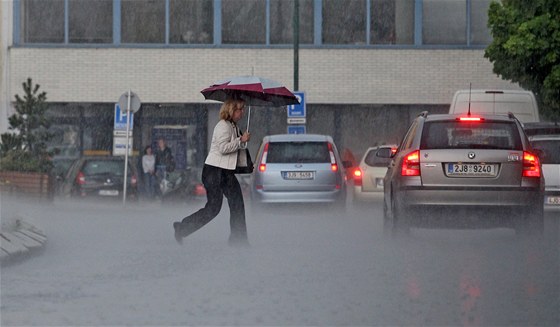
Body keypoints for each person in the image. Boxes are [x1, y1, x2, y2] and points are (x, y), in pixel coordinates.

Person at [173, 98, 251, 246]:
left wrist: (242, 143)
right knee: (213, 208)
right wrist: (241, 140)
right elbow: (223, 148)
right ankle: (182, 228)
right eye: (240, 109)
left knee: (237, 203)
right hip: (214, 171)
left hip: (225, 171)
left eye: (243, 109)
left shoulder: (233, 126)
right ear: (231, 110)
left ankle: (238, 239)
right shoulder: (223, 126)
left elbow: (233, 150)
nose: (242, 112)